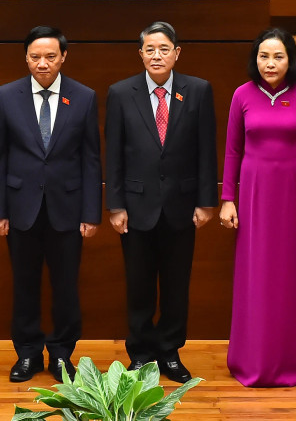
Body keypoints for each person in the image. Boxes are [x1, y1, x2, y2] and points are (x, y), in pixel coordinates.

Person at [105, 21, 218, 383]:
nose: (157, 55)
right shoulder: (121, 93)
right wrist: (115, 205)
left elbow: (206, 150)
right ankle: (140, 354)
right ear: (140, 54)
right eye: (150, 49)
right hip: (136, 207)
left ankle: (169, 353)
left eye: (164, 49)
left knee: (175, 284)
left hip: (182, 206)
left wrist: (206, 201)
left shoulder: (198, 90)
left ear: (177, 53)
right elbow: (114, 155)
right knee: (138, 285)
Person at [0, 26, 102, 383]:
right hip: (20, 207)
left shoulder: (83, 97)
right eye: (36, 57)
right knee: (24, 284)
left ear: (63, 57)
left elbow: (91, 160)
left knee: (66, 286)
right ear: (26, 58)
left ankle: (62, 354)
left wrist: (90, 212)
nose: (43, 63)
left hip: (68, 209)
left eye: (50, 56)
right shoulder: (6, 96)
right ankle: (26, 353)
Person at [219, 28, 296, 387]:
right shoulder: (242, 96)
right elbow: (233, 150)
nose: (270, 63)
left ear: (290, 59)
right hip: (254, 196)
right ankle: (252, 359)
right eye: (264, 56)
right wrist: (228, 199)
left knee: (291, 278)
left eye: (278, 56)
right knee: (257, 276)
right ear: (255, 59)